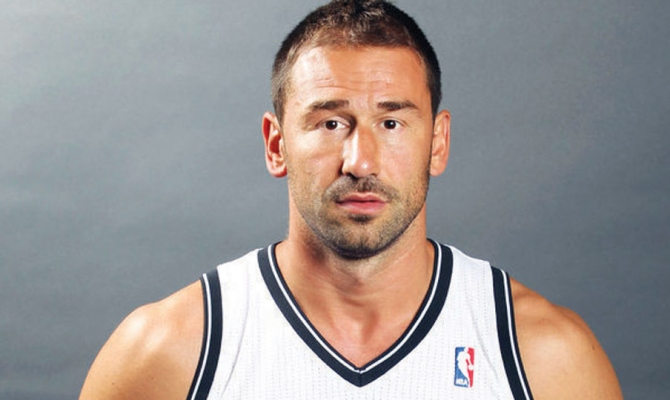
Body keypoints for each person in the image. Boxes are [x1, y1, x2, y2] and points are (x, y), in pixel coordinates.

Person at [79, 1, 623, 399]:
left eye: (391, 122)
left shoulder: (543, 357)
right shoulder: (170, 353)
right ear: (276, 145)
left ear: (437, 143)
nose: (360, 162)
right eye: (331, 122)